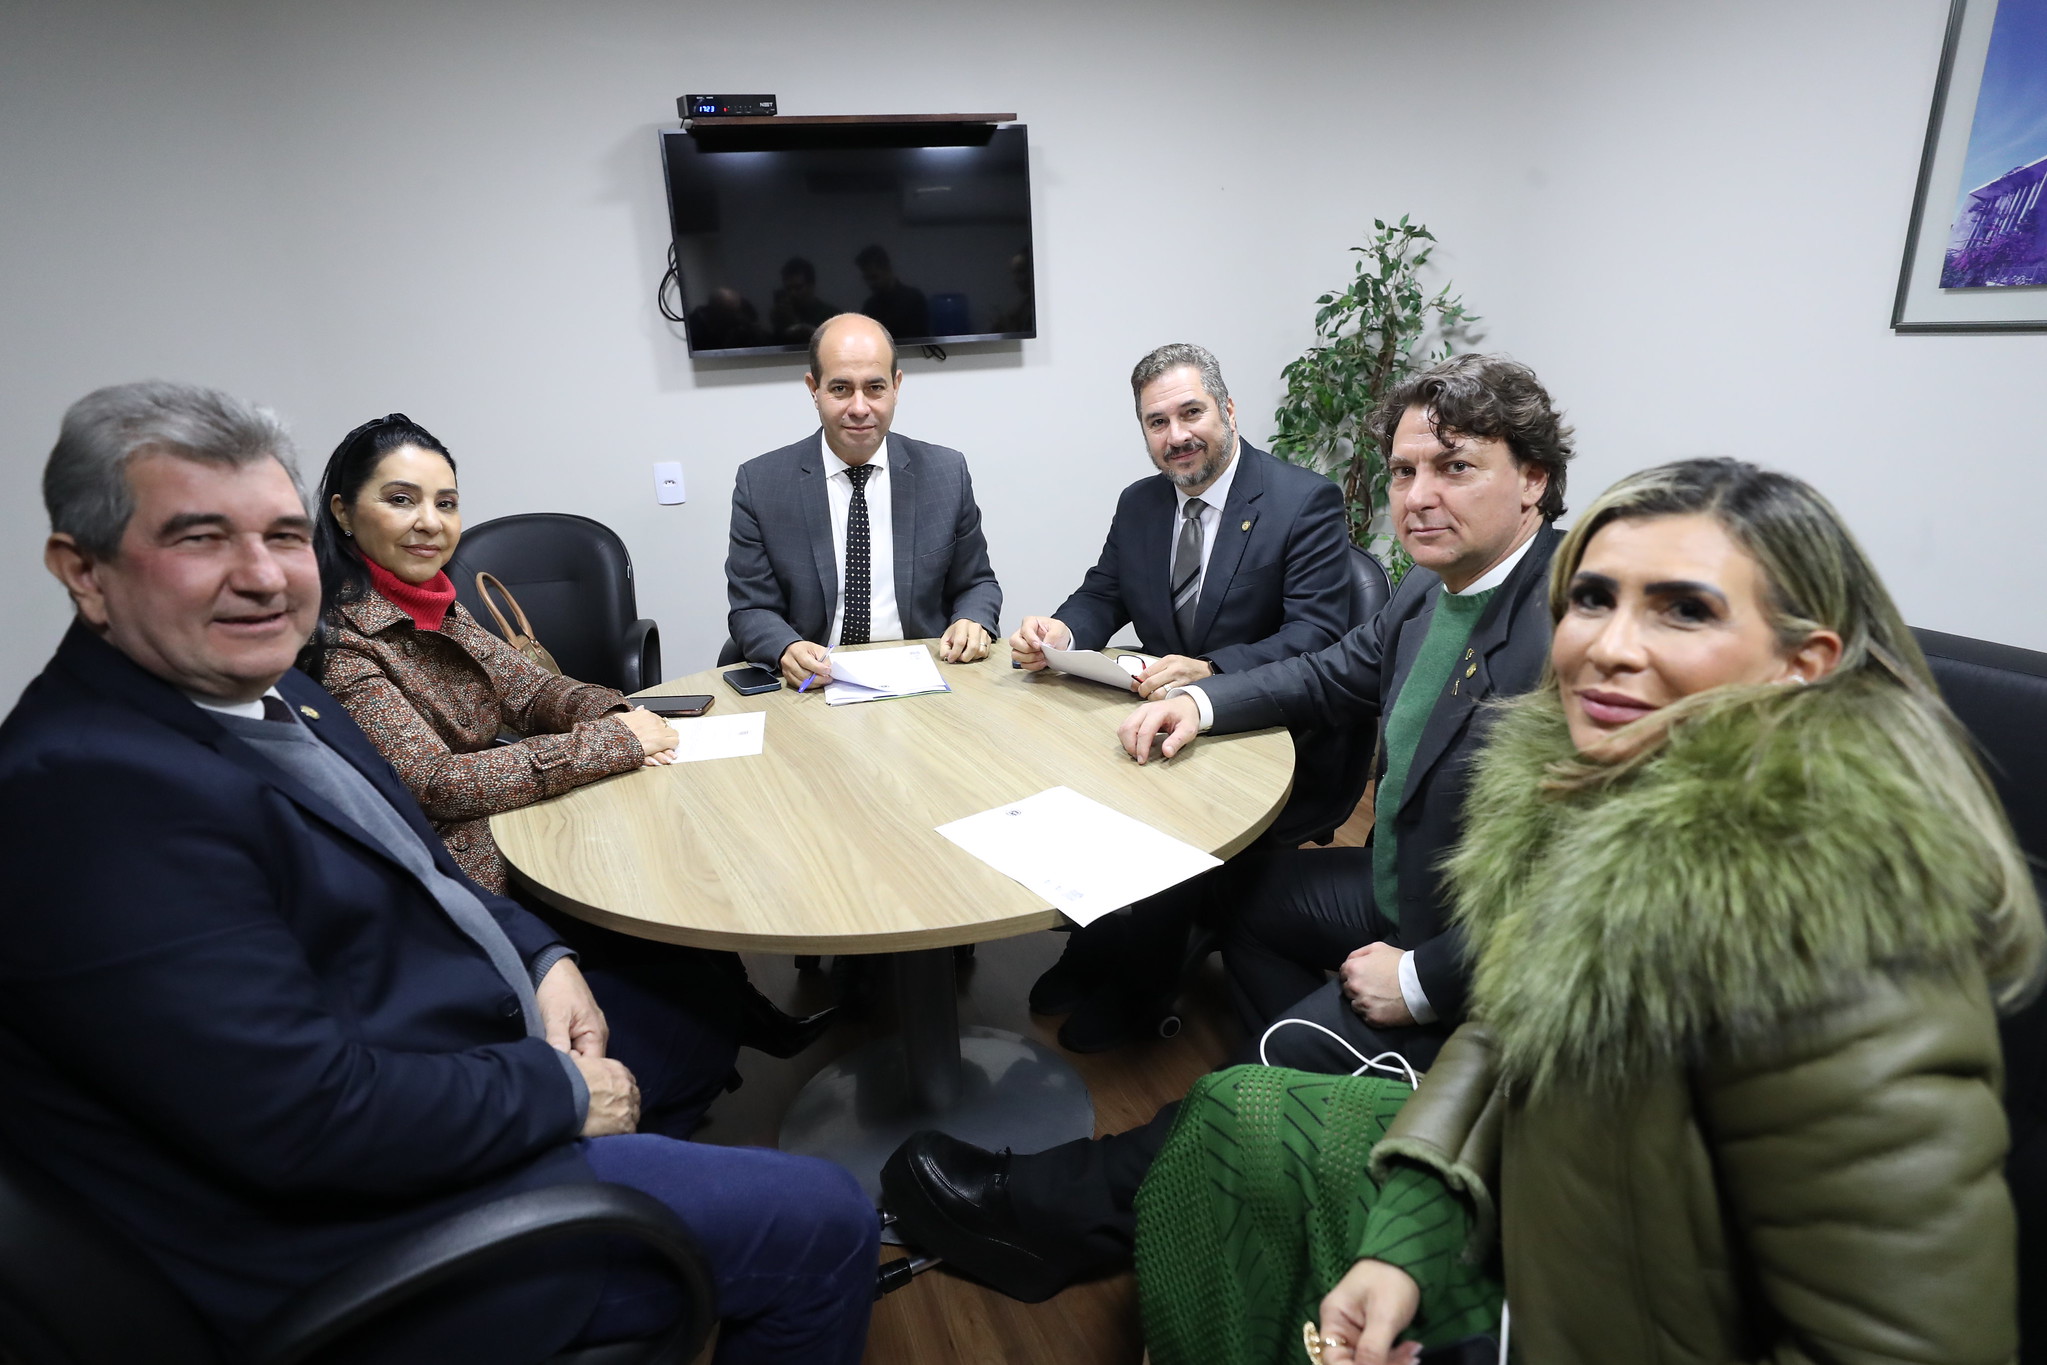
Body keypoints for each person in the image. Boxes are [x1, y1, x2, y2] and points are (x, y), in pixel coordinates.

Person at [1, 381, 878, 1364]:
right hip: (372, 1231)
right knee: (824, 1219)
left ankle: (657, 1248)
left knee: (687, 1021)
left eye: (281, 536)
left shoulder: (277, 692)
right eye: (201, 539)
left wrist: (541, 956)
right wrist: (558, 1095)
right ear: (84, 572)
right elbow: (307, 1122)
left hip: (449, 1056)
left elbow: (416, 858)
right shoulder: (88, 798)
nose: (262, 576)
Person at [1140, 457, 2043, 1365]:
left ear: (1798, 667)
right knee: (1230, 1110)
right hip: (1553, 1190)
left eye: (1683, 610)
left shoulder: (1848, 945)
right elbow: (1508, 1028)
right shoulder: (1604, 800)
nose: (1608, 645)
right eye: (1593, 598)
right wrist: (1405, 1236)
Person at [882, 353, 1574, 1299]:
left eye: (1454, 468)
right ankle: (1303, 1114)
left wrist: (1419, 980)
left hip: (1474, 955)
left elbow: (1582, 895)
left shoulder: (1572, 630)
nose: (1416, 497)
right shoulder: (1431, 585)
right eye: (1405, 470)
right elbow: (1335, 671)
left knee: (1255, 1075)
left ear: (1532, 478)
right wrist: (1202, 704)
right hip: (1400, 884)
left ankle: (1060, 1213)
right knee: (1245, 894)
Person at [302, 412, 830, 1107]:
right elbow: (435, 784)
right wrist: (614, 742)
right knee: (653, 868)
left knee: (665, 843)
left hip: (508, 820)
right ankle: (702, 1038)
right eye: (401, 499)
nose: (429, 522)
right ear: (343, 512)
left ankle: (733, 1010)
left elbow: (531, 690)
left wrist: (615, 714)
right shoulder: (344, 642)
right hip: (463, 877)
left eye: (446, 502)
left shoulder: (433, 601)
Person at [1009, 342, 1356, 1049]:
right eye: (1156, 422)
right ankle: (1098, 937)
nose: (1176, 436)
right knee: (1071, 776)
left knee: (1166, 817)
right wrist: (1059, 632)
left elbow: (1316, 637)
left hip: (1262, 730)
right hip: (1162, 715)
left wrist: (1213, 668)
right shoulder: (1140, 503)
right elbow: (1103, 592)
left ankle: (1144, 978)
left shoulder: (1302, 501)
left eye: (1191, 413)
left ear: (1227, 409)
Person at [723, 312, 1002, 688]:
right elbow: (751, 607)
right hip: (817, 682)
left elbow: (977, 583)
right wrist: (786, 647)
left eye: (875, 388)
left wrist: (973, 619)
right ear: (814, 389)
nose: (859, 407)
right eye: (840, 388)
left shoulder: (945, 473)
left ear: (896, 387)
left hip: (925, 678)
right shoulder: (761, 483)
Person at [853, 244, 931, 341]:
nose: (870, 283)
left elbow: (921, 339)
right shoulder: (869, 306)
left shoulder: (914, 299)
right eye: (866, 279)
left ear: (887, 270)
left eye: (874, 277)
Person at [769, 256, 838, 344]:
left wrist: (797, 324)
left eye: (798, 288)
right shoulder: (782, 314)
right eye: (788, 289)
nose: (792, 293)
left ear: (811, 286)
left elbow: (833, 344)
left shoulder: (831, 315)